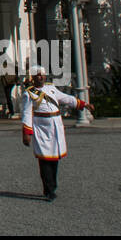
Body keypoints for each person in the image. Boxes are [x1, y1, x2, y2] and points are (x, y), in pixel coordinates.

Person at [21, 65, 94, 201]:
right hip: (41, 128)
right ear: (33, 78)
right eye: (37, 75)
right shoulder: (29, 93)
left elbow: (66, 98)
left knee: (54, 159)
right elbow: (26, 114)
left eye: (42, 74)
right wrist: (26, 133)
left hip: (55, 126)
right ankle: (49, 190)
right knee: (44, 160)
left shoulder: (51, 88)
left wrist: (83, 104)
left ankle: (52, 185)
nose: (41, 77)